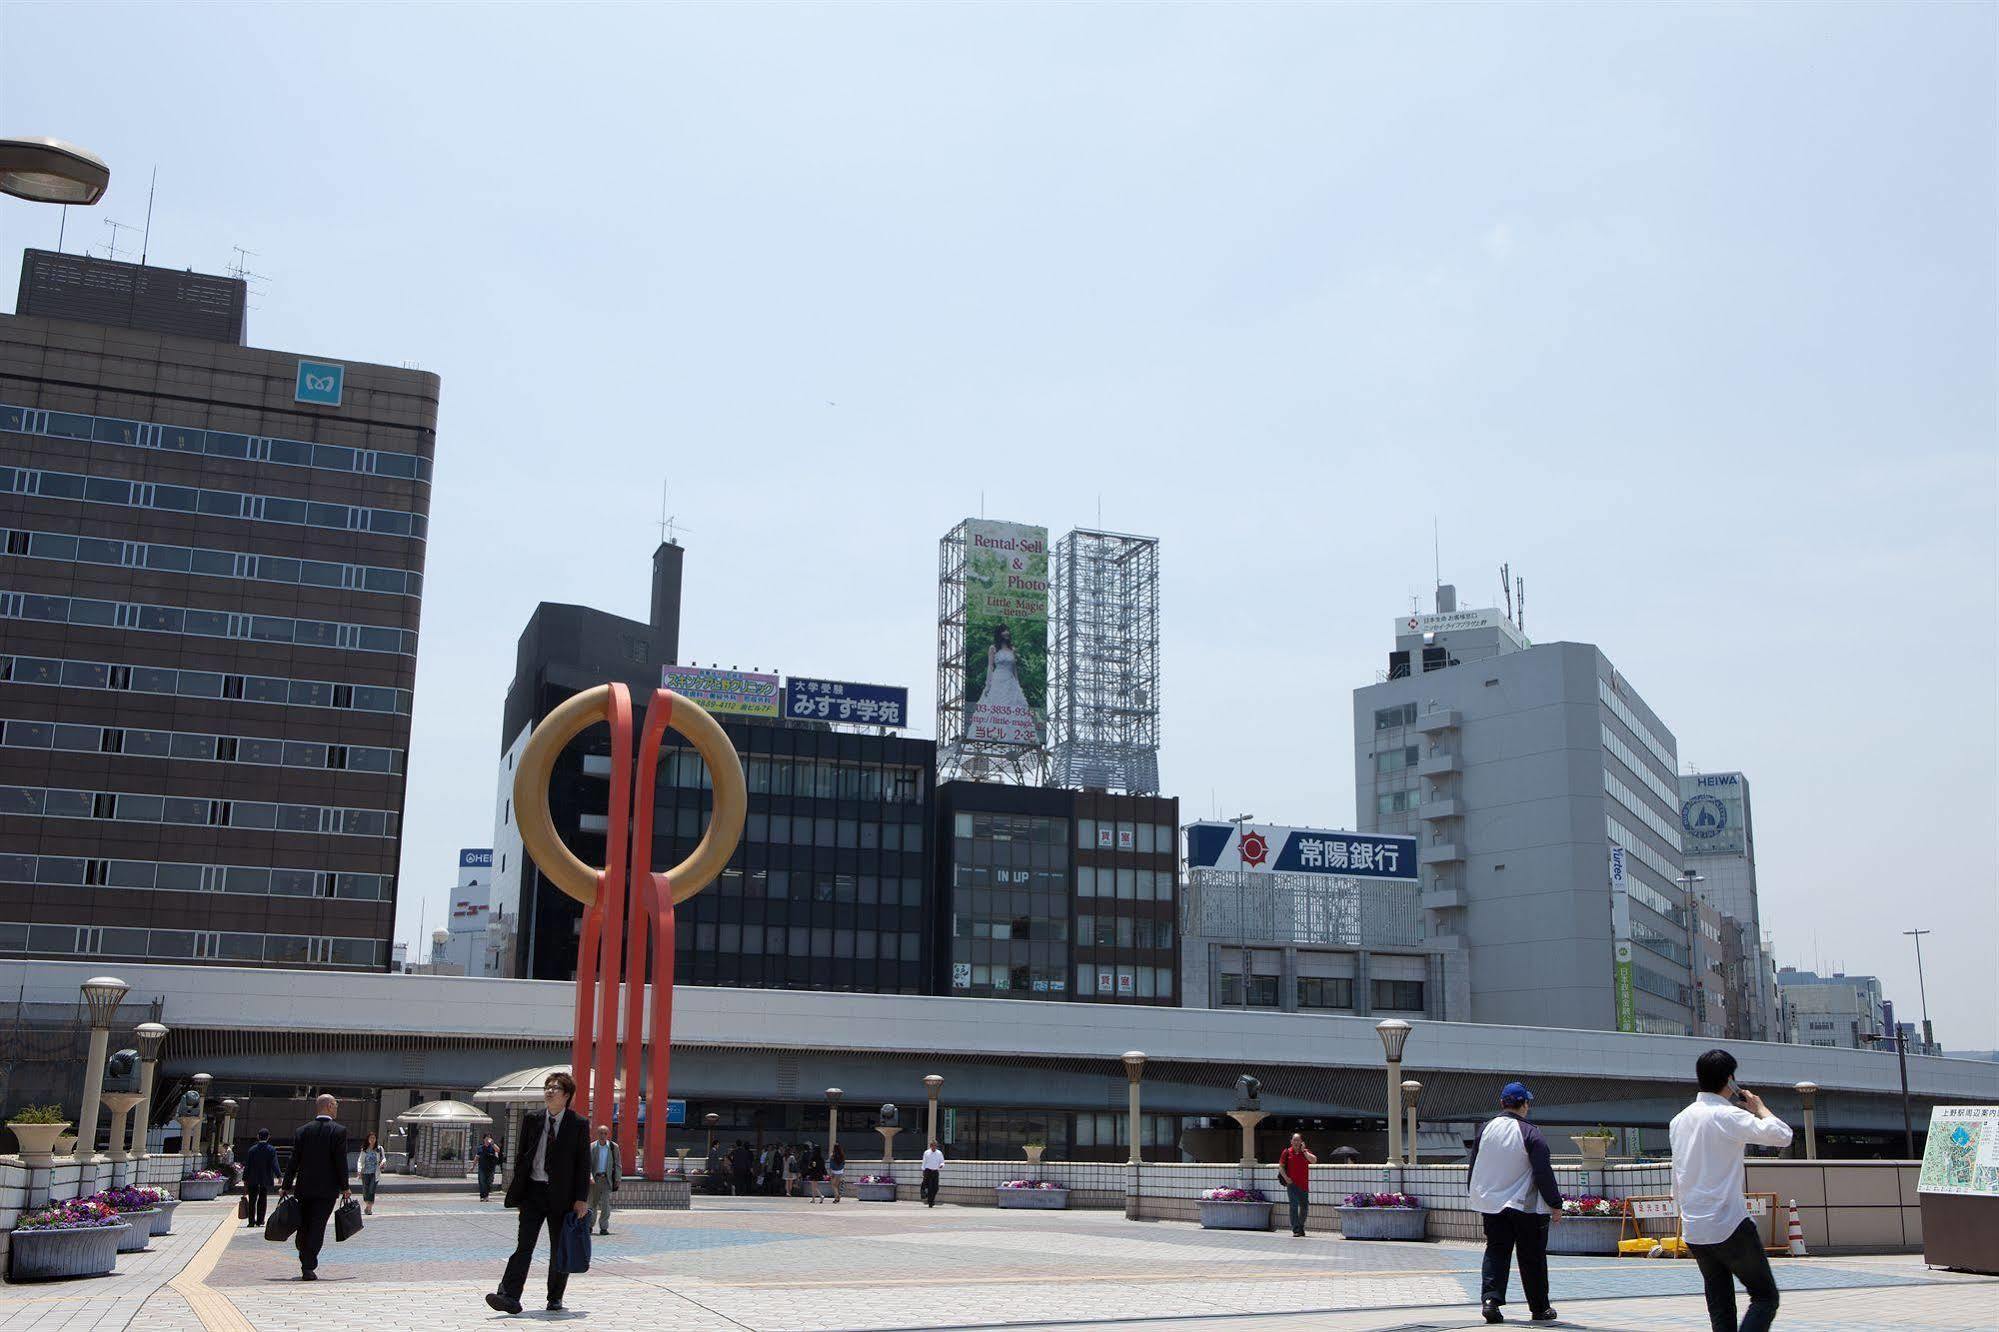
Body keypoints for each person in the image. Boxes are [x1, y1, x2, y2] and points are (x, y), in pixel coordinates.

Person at [1671, 1049, 1794, 1332]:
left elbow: (1677, 1174)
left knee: (1720, 1302)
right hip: (1729, 1223)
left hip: (1695, 1227)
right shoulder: (1728, 1116)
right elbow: (1782, 1136)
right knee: (1765, 1297)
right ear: (1730, 1081)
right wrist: (1760, 1109)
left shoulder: (1678, 1121)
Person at [486, 1072, 591, 1316]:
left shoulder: (578, 1124)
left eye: (555, 1088)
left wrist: (581, 1199)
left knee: (558, 1248)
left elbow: (583, 1164)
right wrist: (520, 1194)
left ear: (566, 1095)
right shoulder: (532, 1119)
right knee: (524, 1246)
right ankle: (509, 1296)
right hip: (533, 1192)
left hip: (562, 1197)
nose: (549, 1091)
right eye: (547, 1087)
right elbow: (522, 1156)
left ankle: (555, 1297)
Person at [1466, 1081, 1563, 1324]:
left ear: (1502, 1103)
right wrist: (1555, 1203)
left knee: (1496, 1251)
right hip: (1525, 1206)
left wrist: (1476, 1193)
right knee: (1532, 1256)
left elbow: (1474, 1166)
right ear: (1525, 1105)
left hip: (1491, 1203)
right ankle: (1539, 1309)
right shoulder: (1531, 1132)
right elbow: (1543, 1172)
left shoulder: (1486, 1129)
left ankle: (1491, 1301)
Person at [279, 1094, 352, 1281]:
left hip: (304, 1188)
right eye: (335, 1104)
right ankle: (308, 1265)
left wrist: (286, 1185)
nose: (337, 1108)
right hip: (327, 1191)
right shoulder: (339, 1131)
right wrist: (345, 1187)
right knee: (318, 1226)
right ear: (328, 1106)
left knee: (304, 1224)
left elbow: (293, 1160)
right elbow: (340, 1162)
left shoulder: (302, 1131)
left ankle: (303, 1251)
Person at [967, 624, 1039, 744]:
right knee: (993, 707)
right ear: (999, 633)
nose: (1007, 633)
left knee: (1014, 709)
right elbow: (990, 666)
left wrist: (1018, 686)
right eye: (1004, 631)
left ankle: (1016, 737)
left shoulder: (1013, 650)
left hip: (1010, 683)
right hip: (997, 680)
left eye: (1008, 630)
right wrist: (988, 684)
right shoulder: (993, 648)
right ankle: (992, 735)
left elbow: (1014, 670)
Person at [1277, 1133, 1316, 1237]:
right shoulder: (1286, 1152)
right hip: (1292, 1184)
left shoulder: (1305, 1152)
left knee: (1304, 1207)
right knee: (1293, 1206)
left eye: (1298, 1140)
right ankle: (1296, 1229)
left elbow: (1314, 1160)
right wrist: (1286, 1178)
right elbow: (1281, 1167)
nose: (1296, 1142)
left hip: (1303, 1185)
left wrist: (1304, 1152)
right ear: (1291, 1141)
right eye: (1294, 1140)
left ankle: (1300, 1226)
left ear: (1302, 1142)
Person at [242, 1129, 279, 1228]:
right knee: (263, 1199)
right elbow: (274, 1164)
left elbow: (248, 1165)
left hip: (252, 1178)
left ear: (258, 1136)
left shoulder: (252, 1149)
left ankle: (251, 1221)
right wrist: (279, 1175)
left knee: (252, 1200)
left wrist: (245, 1178)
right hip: (265, 1178)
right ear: (268, 1137)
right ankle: (260, 1220)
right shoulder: (271, 1149)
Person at [588, 1124, 619, 1236]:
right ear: (597, 1134)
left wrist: (618, 1178)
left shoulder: (613, 1147)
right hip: (594, 1179)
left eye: (605, 1133)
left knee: (605, 1204)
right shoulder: (592, 1147)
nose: (603, 1135)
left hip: (607, 1180)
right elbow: (587, 1164)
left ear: (608, 1134)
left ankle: (604, 1227)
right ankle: (589, 1226)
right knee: (592, 1204)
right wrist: (590, 1177)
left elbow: (617, 1163)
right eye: (601, 1133)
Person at [358, 1132, 384, 1215]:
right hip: (365, 1173)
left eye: (374, 1138)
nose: (372, 1140)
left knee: (371, 1190)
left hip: (374, 1173)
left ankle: (369, 1208)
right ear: (368, 1139)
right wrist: (359, 1171)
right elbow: (360, 1161)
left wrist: (382, 1163)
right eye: (371, 1138)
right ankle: (367, 1206)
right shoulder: (364, 1149)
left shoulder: (379, 1149)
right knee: (365, 1190)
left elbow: (383, 1158)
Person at [477, 1134, 503, 1202]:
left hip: (491, 1167)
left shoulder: (492, 1147)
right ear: (484, 1139)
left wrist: (492, 1144)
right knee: (482, 1182)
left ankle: (486, 1195)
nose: (488, 1139)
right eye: (486, 1138)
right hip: (482, 1167)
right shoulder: (480, 1147)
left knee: (489, 1182)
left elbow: (498, 1150)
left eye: (489, 1138)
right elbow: (477, 1157)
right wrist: (473, 1166)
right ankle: (483, 1196)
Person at [920, 1139, 945, 1207]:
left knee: (936, 1188)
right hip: (928, 1171)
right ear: (930, 1146)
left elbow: (942, 1161)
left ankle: (930, 1198)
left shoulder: (939, 1153)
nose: (934, 1147)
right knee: (929, 1187)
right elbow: (924, 1162)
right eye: (933, 1146)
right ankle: (930, 1202)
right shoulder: (926, 1152)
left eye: (935, 1146)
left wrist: (942, 1165)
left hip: (935, 1171)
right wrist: (923, 1170)